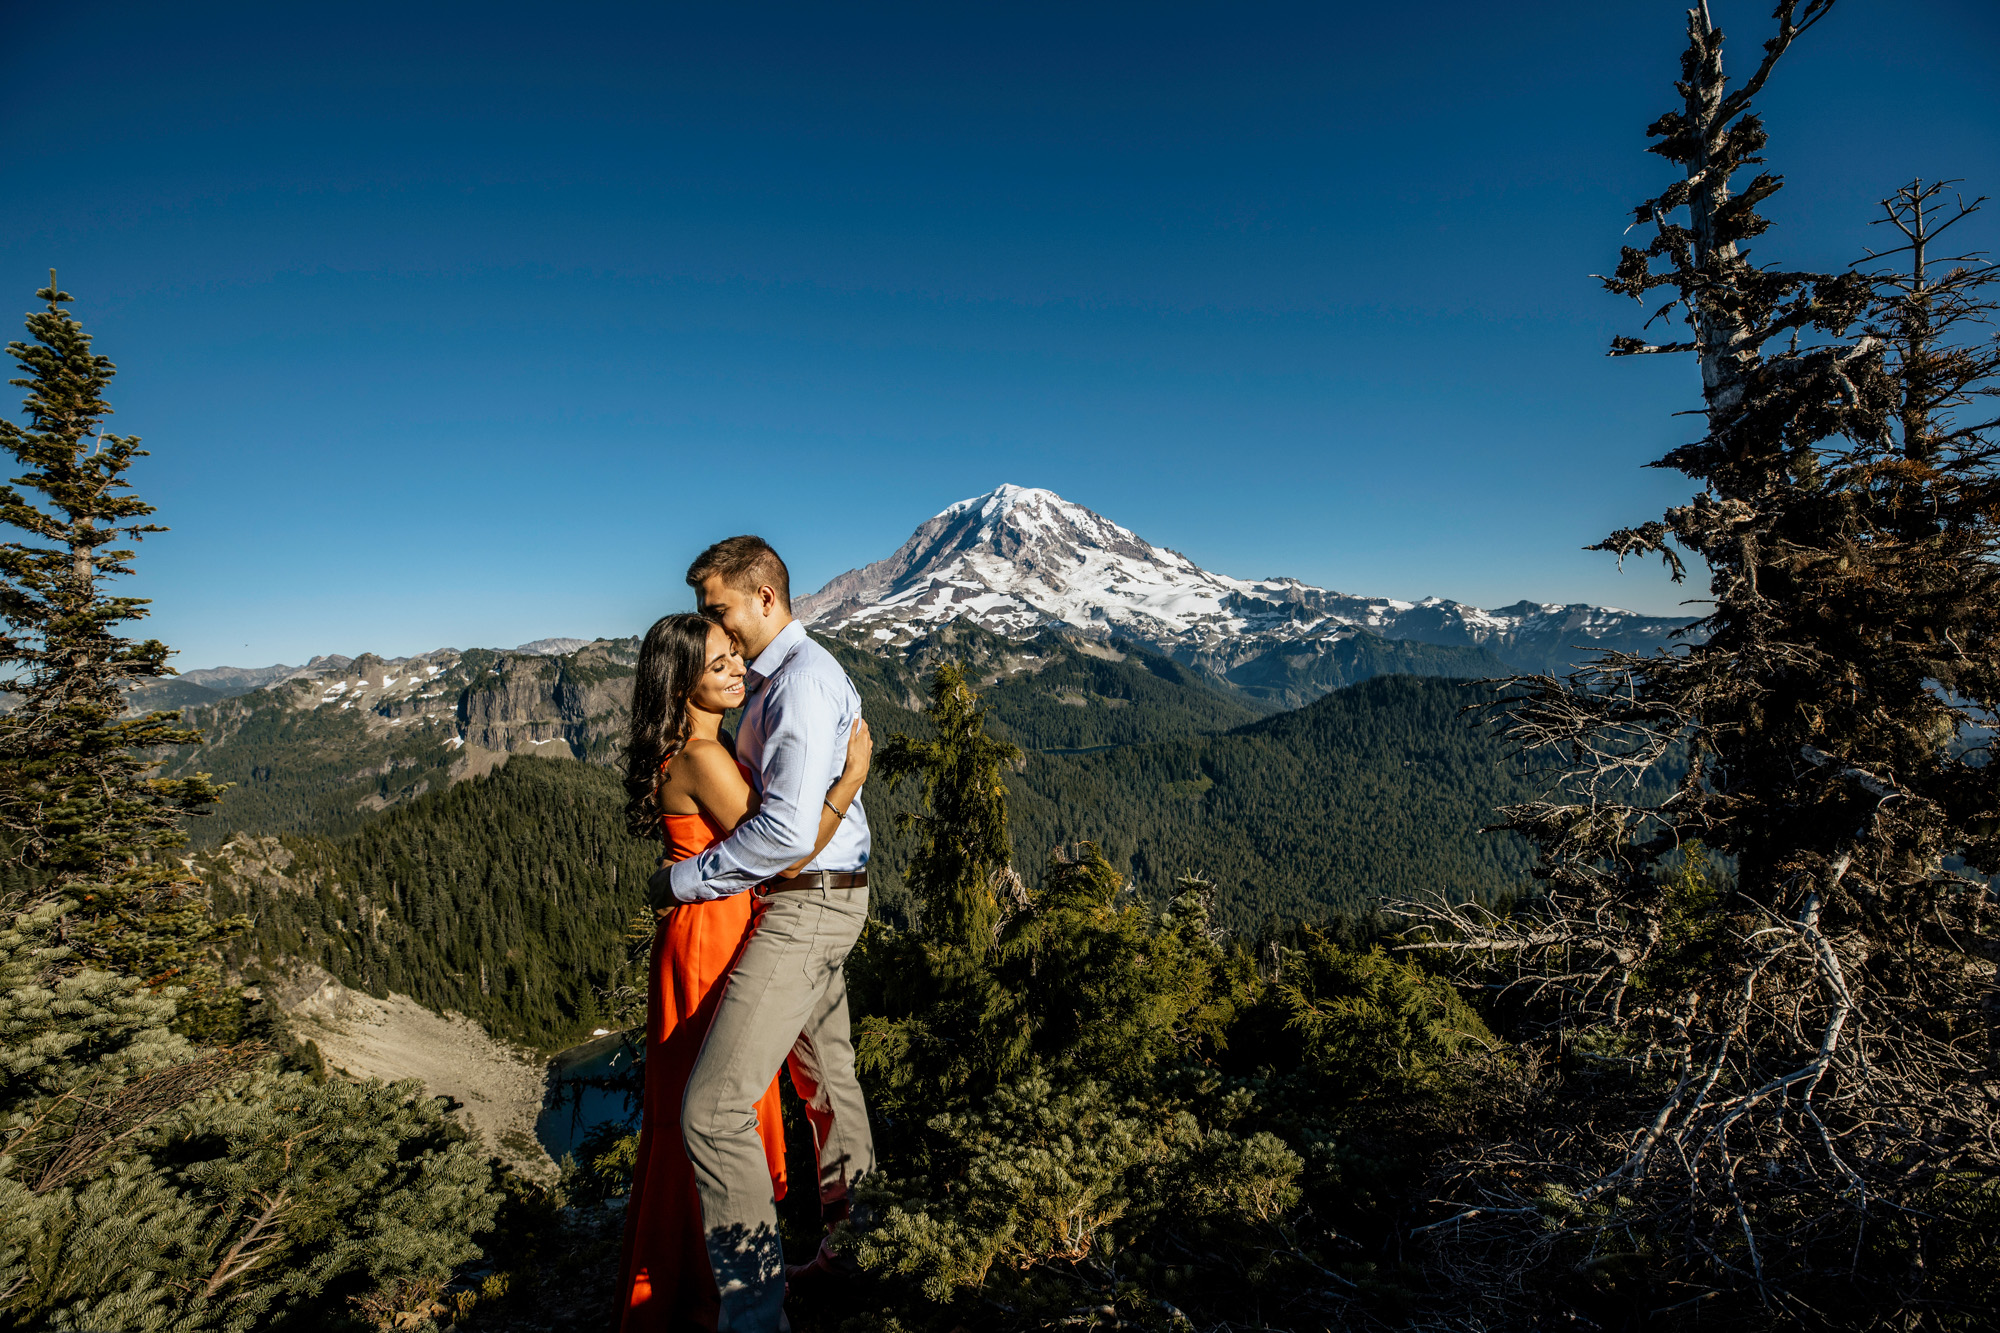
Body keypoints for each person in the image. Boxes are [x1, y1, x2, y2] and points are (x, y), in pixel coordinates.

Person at [615, 611, 871, 1333]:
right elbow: (785, 850)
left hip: (707, 925)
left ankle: (694, 1280)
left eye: (736, 657)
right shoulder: (703, 756)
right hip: (715, 933)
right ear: (683, 682)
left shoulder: (697, 745)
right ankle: (707, 1295)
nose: (739, 671)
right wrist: (849, 780)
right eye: (720, 664)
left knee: (704, 1102)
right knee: (716, 1104)